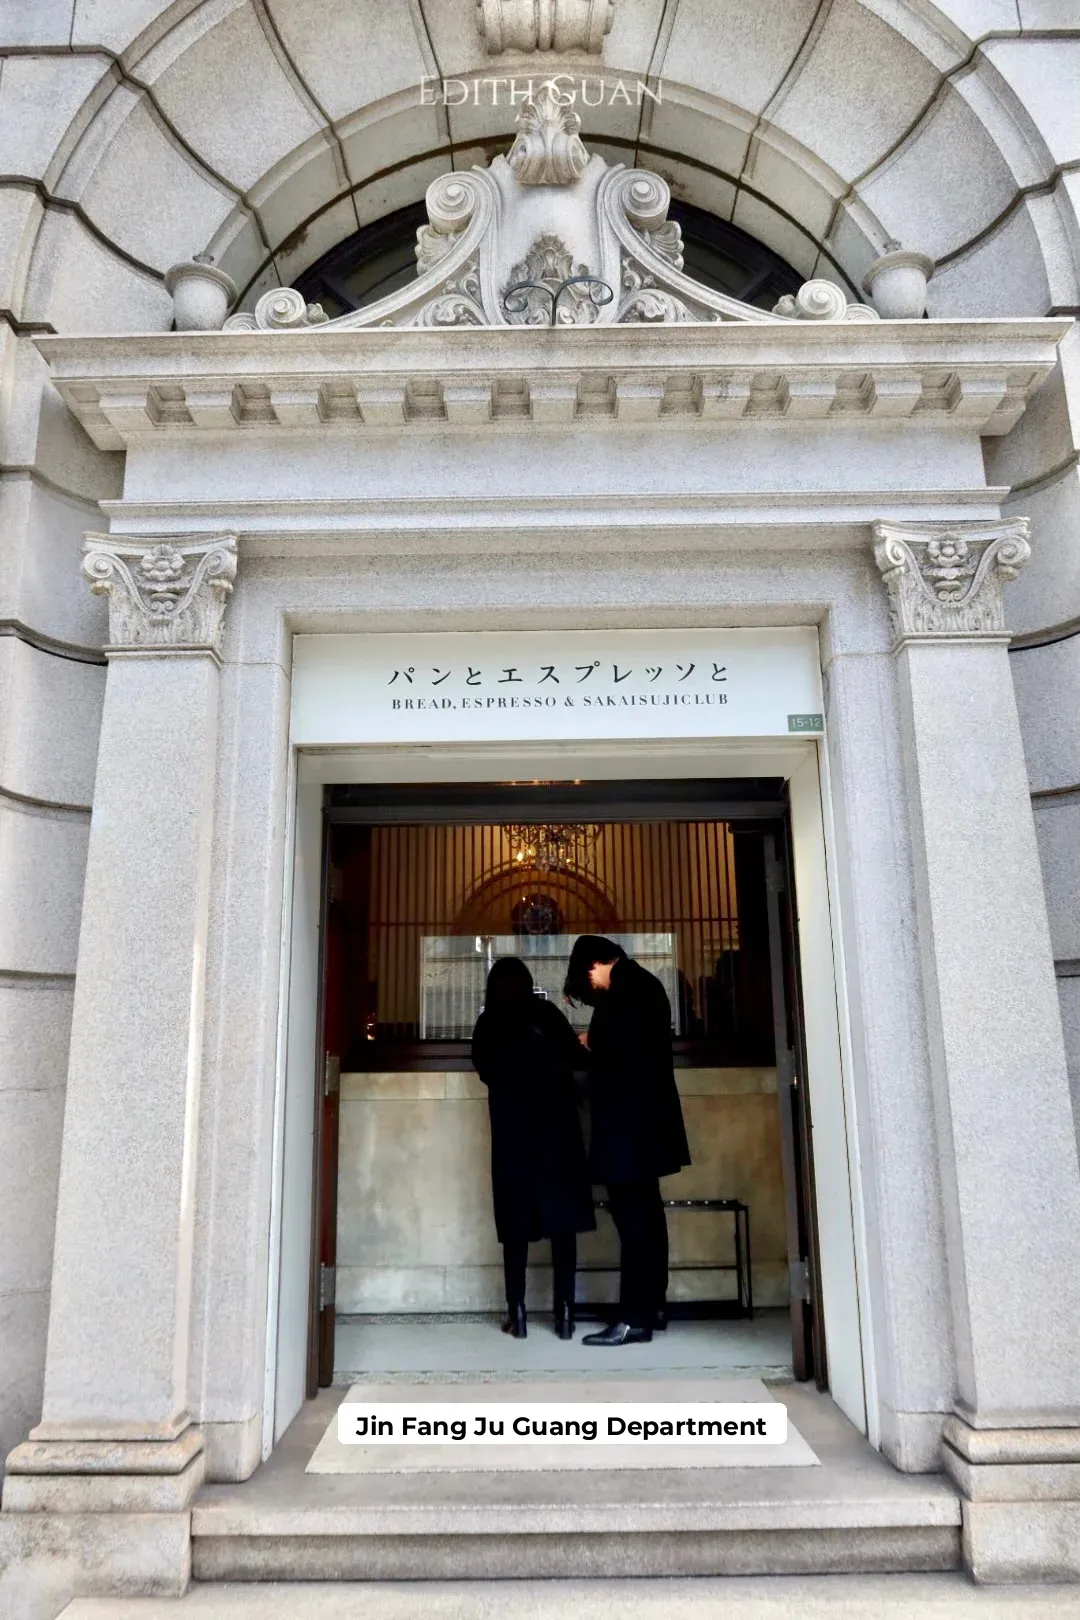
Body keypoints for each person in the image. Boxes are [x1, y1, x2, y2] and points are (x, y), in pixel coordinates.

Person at [564, 935, 691, 1346]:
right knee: (648, 1217)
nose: (592, 988)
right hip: (647, 1125)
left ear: (593, 966)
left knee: (633, 1221)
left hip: (628, 1128)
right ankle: (652, 1304)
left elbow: (619, 1056)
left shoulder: (624, 991)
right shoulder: (644, 984)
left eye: (589, 980)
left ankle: (633, 1318)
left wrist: (590, 1043)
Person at [471, 957, 596, 1340]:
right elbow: (577, 1058)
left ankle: (519, 1313)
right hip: (557, 1135)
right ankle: (564, 1314)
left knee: (515, 1227)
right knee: (563, 1227)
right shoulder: (545, 1014)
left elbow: (484, 1070)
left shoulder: (488, 1023)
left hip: (513, 1138)